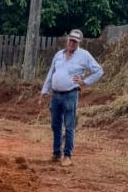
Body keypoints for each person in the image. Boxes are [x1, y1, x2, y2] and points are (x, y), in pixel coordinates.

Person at [40, 28, 103, 166]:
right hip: (55, 95)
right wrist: (45, 90)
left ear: (79, 42)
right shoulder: (59, 55)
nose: (72, 43)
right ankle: (56, 153)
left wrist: (85, 82)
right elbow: (51, 73)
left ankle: (67, 156)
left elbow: (99, 71)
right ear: (67, 40)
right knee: (55, 125)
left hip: (70, 95)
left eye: (75, 41)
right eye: (70, 40)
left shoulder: (84, 56)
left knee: (69, 126)